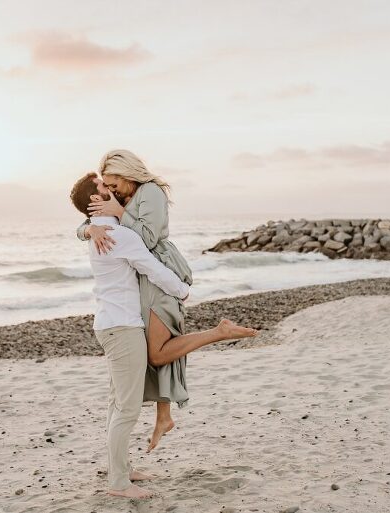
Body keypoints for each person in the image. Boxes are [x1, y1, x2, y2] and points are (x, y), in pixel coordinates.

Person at [77, 149, 257, 452]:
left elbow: (145, 239)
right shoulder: (120, 199)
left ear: (127, 174)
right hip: (143, 274)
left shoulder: (151, 192)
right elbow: (91, 219)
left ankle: (219, 333)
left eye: (114, 184)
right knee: (155, 347)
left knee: (158, 352)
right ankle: (164, 415)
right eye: (107, 186)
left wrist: (118, 214)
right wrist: (89, 228)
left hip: (158, 268)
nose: (112, 191)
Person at [70, 172, 190, 499]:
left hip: (110, 324)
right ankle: (118, 484)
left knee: (116, 402)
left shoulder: (102, 232)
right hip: (123, 327)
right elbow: (154, 268)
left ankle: (120, 468)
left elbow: (84, 230)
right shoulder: (119, 234)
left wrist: (86, 228)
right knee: (127, 409)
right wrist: (181, 290)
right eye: (104, 187)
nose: (112, 189)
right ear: (96, 201)